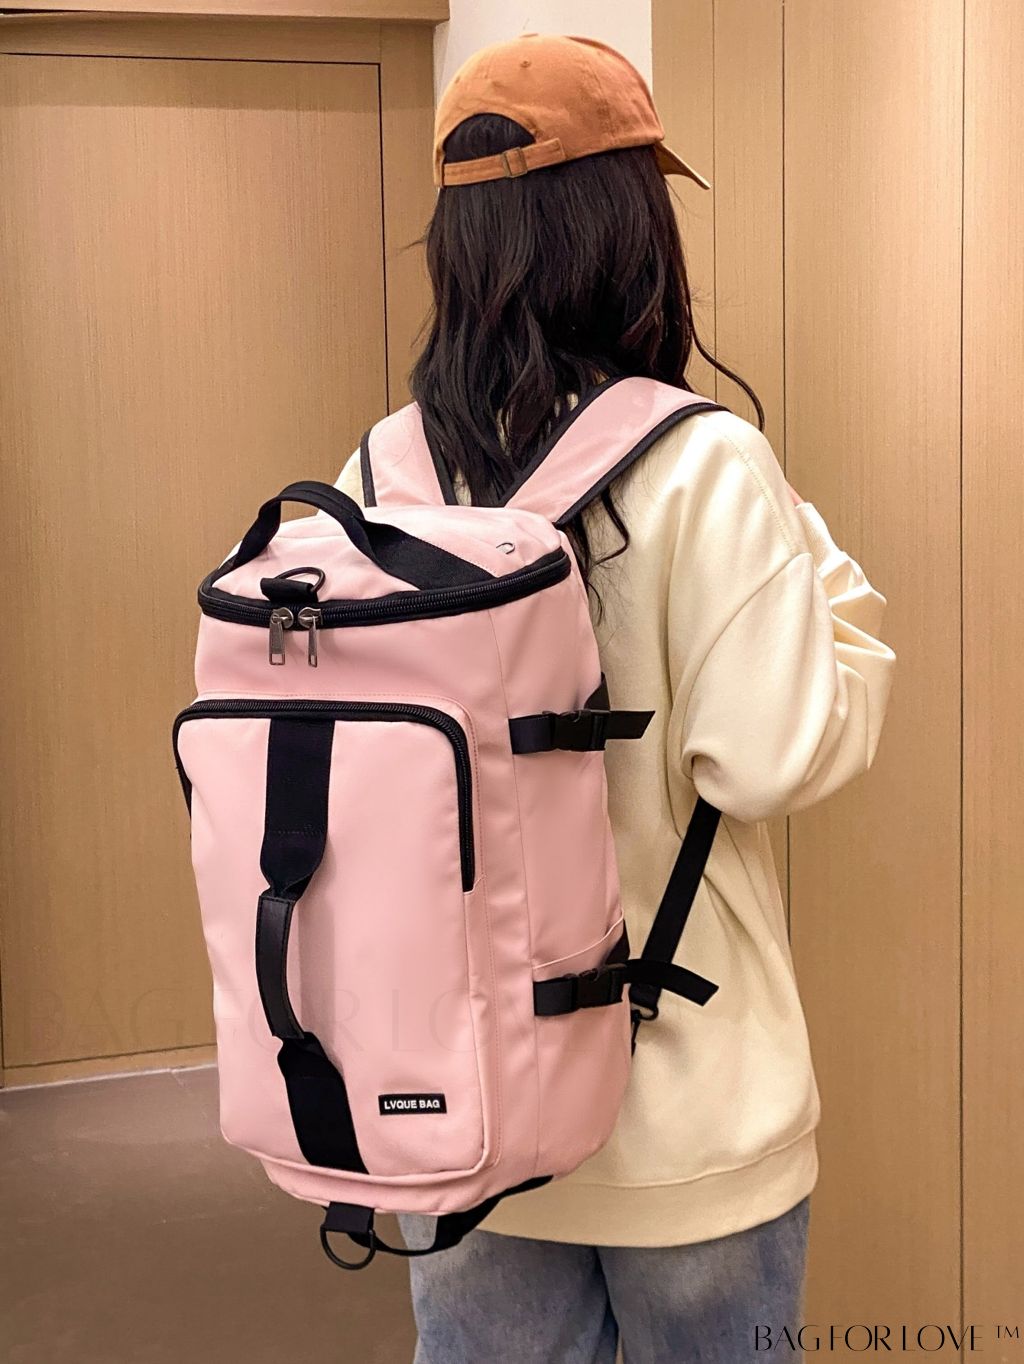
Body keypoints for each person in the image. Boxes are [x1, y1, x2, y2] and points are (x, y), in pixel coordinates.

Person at [333, 32, 896, 1364]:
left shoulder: (381, 471)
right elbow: (771, 758)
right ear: (627, 226)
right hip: (688, 1112)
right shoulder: (703, 463)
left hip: (458, 1111)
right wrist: (834, 596)